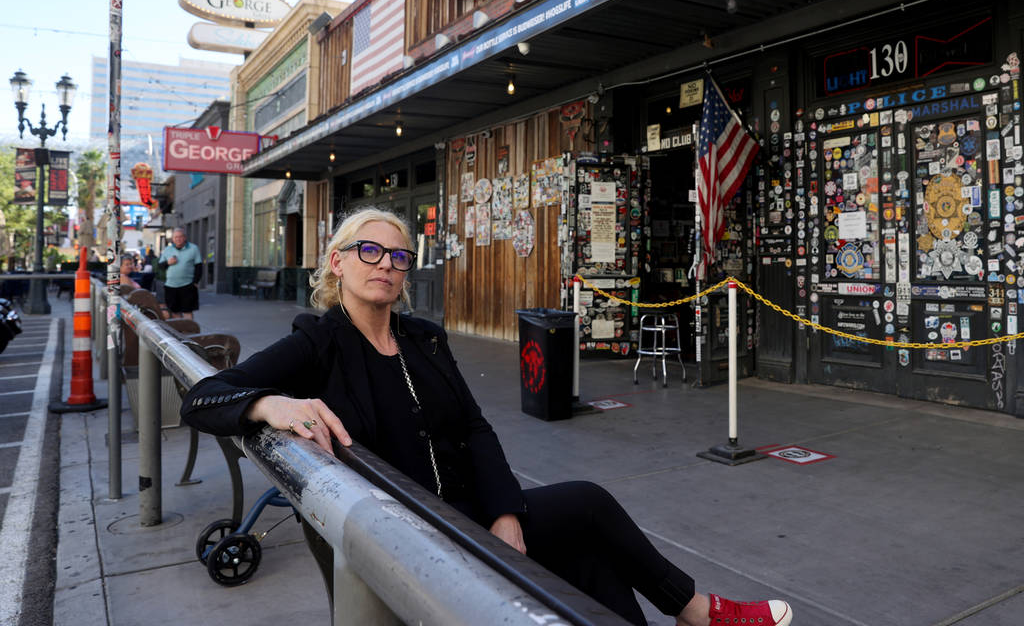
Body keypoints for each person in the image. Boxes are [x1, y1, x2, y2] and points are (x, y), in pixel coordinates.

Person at [180, 207, 791, 626]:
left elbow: (476, 427)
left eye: (399, 255)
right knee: (586, 521)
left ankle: (693, 612)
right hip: (410, 531)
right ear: (336, 262)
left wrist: (505, 514)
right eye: (369, 250)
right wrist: (271, 403)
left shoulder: (425, 338)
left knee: (589, 536)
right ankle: (699, 612)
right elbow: (203, 397)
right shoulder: (317, 343)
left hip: (471, 513)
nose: (386, 264)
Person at [160, 227, 202, 319]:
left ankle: (190, 332)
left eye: (180, 237)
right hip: (171, 286)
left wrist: (195, 282)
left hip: (187, 285)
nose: (178, 239)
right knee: (174, 312)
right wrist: (168, 263)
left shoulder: (193, 248)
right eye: (175, 237)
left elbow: (199, 267)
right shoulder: (168, 249)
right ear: (173, 239)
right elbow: (160, 266)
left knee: (188, 311)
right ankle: (178, 332)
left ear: (185, 237)